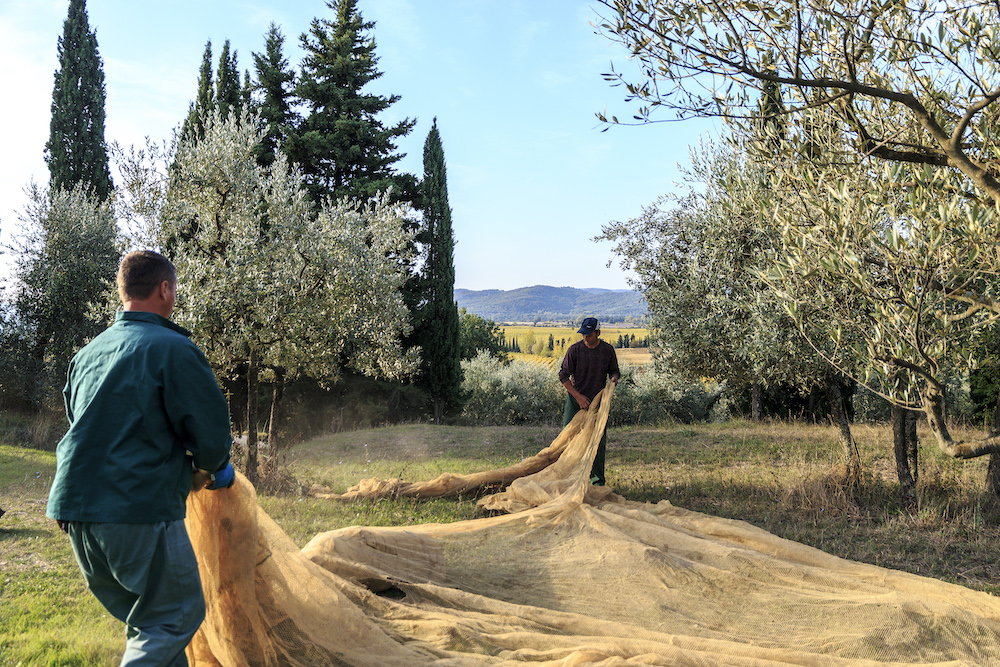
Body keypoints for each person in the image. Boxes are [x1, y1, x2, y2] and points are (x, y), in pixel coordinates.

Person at [46, 250, 234, 666]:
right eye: (175, 289)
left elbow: (90, 429)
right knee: (174, 616)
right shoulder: (173, 348)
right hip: (135, 512)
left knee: (148, 623)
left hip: (75, 513)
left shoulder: (88, 354)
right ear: (164, 289)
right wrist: (210, 468)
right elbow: (211, 436)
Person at [559, 317, 620, 485]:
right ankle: (566, 478)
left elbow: (614, 371)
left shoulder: (607, 351)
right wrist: (578, 397)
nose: (585, 338)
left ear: (598, 333)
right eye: (583, 334)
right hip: (575, 400)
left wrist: (613, 380)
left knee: (597, 441)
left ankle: (596, 481)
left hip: (598, 402)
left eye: (589, 334)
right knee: (568, 439)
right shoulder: (574, 350)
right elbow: (563, 376)